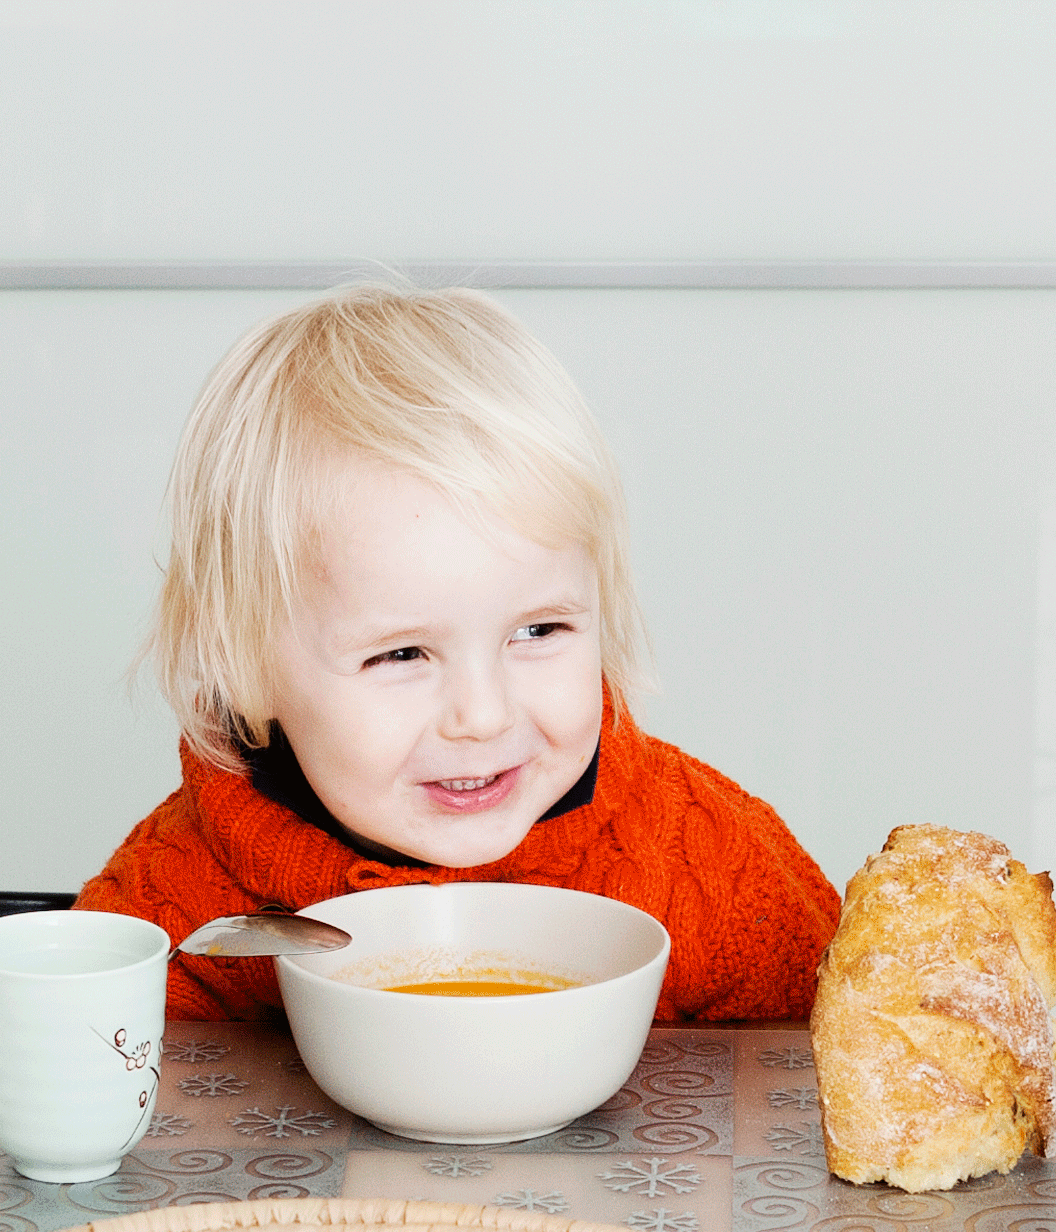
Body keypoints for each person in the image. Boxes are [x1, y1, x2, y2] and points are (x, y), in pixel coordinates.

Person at [77, 283, 840, 1023]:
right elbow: (78, 1060)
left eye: (538, 632)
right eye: (403, 654)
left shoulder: (715, 876)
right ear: (242, 667)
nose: (483, 715)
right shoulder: (176, 908)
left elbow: (845, 1068)